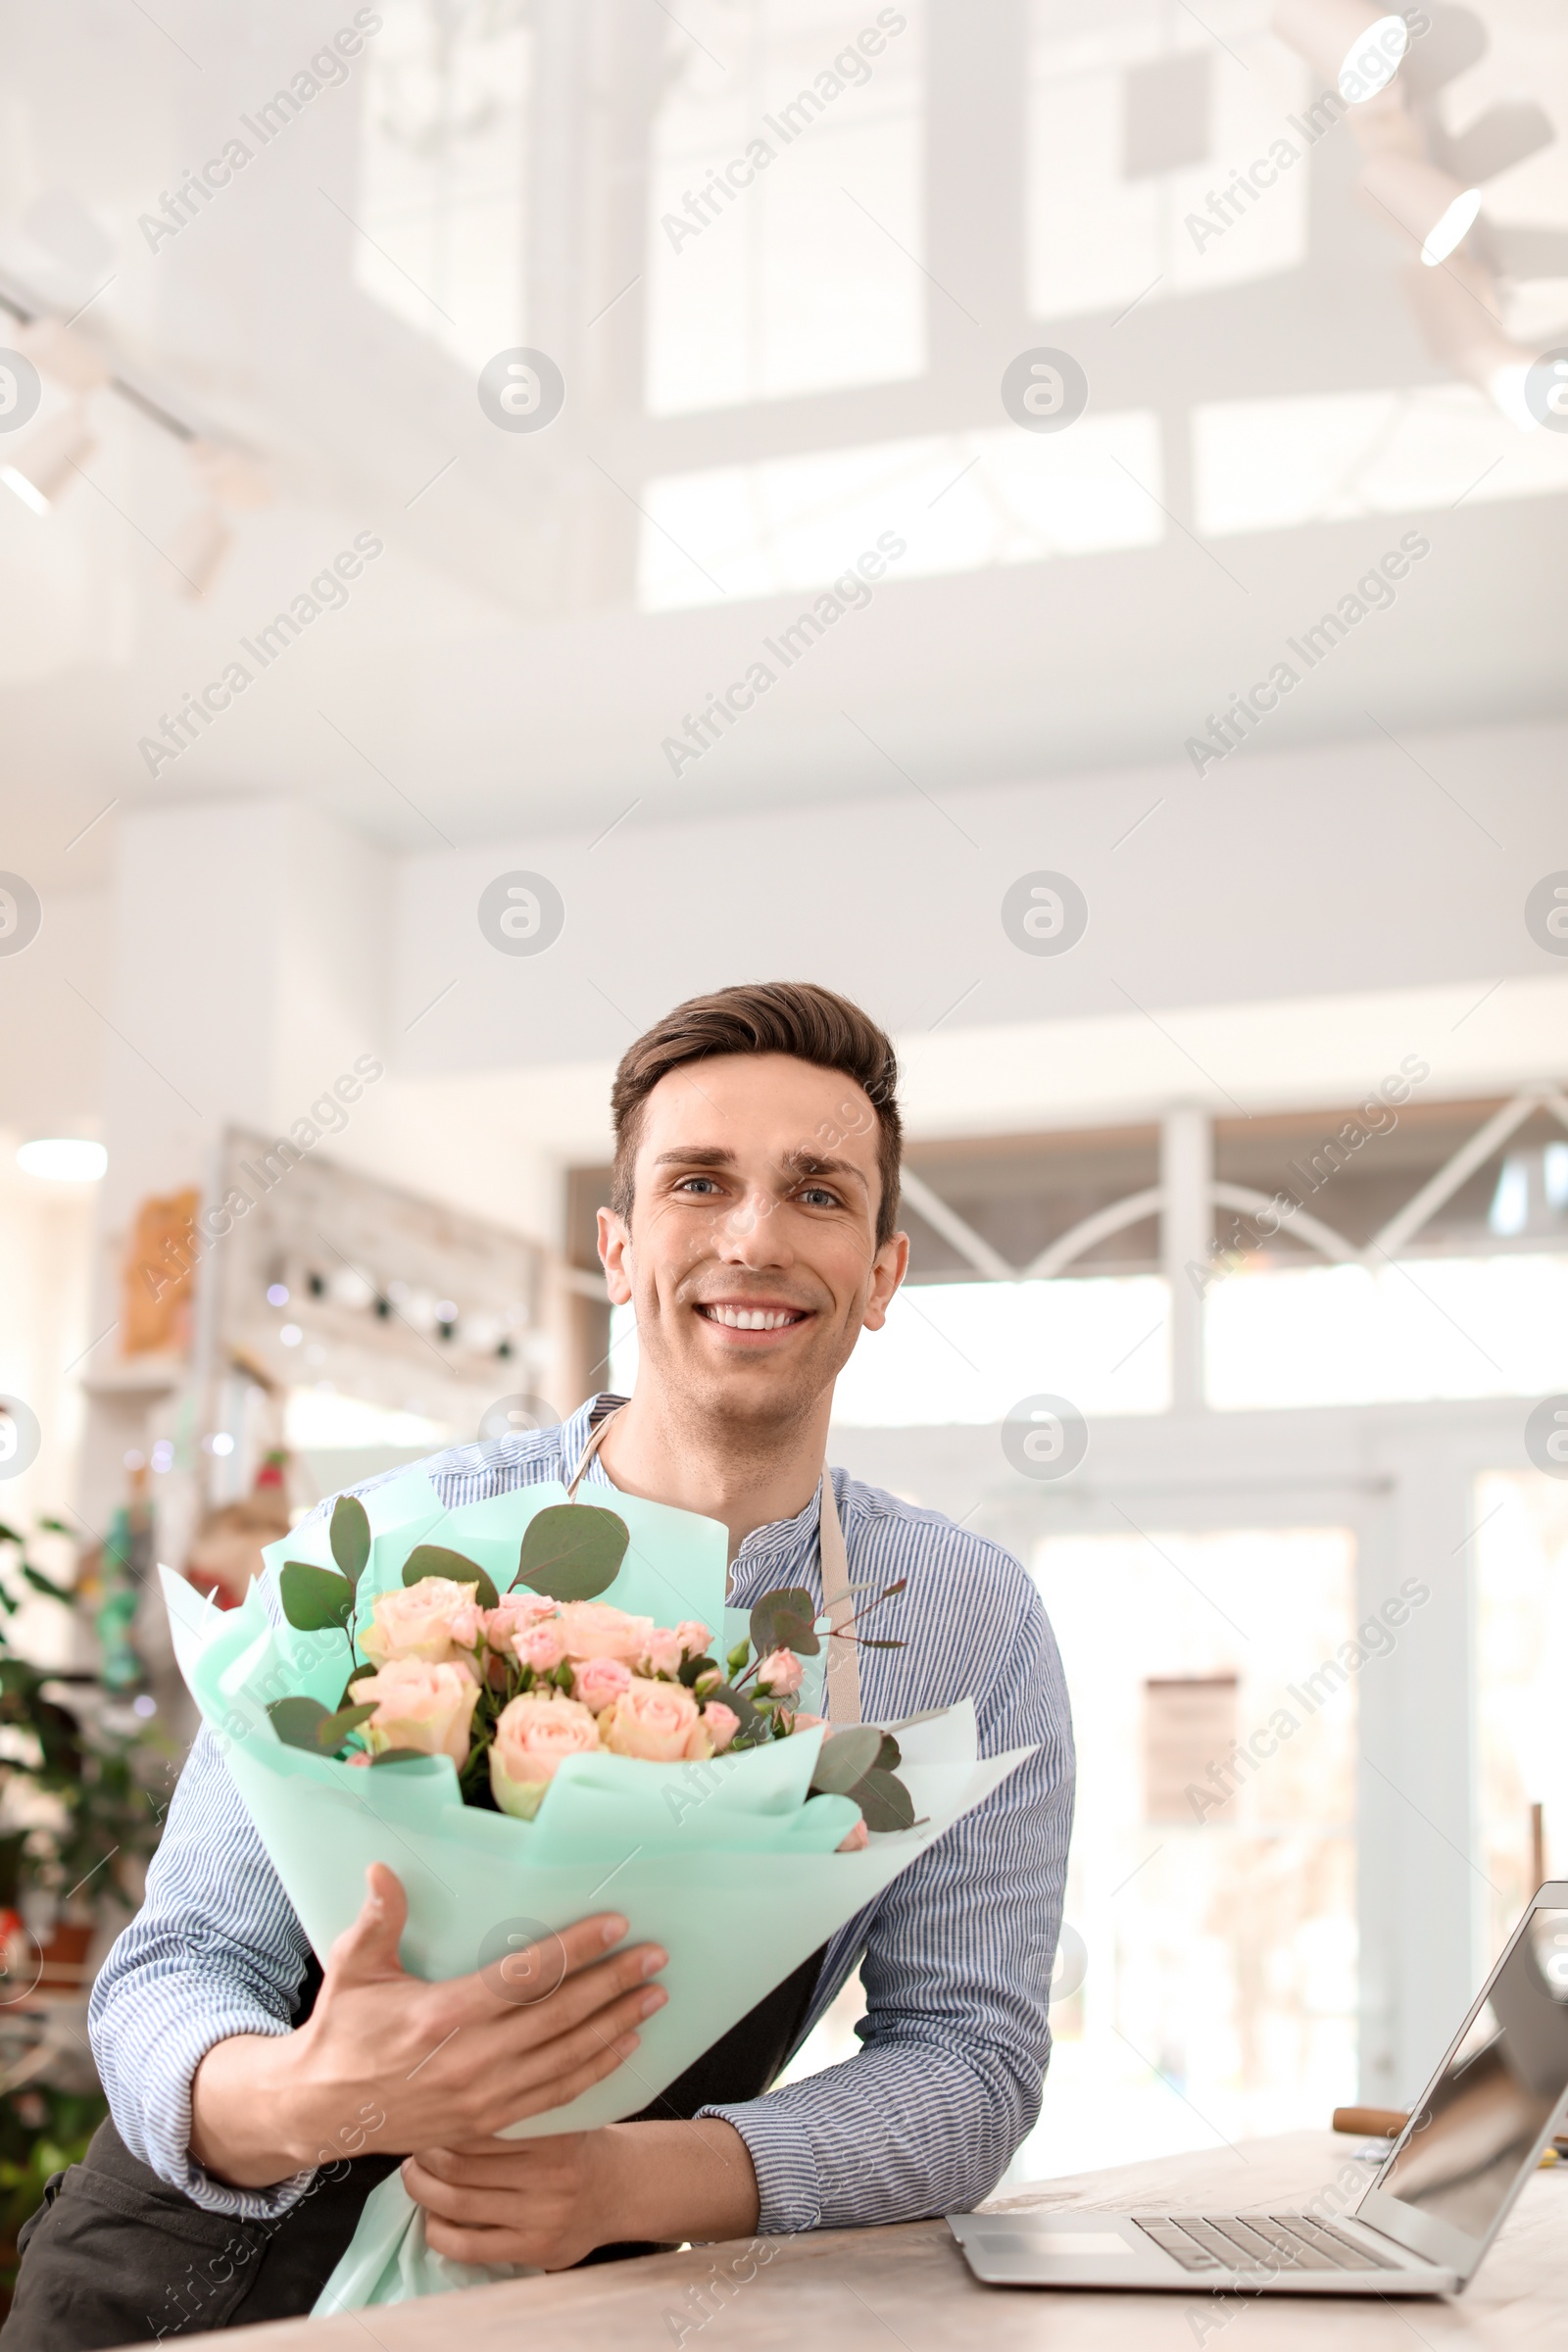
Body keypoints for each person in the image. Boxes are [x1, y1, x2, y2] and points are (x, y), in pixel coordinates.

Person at [4, 981, 1073, 2340]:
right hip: (183, 2288)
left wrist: (631, 2178)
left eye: (816, 1193)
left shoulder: (969, 1626)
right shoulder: (398, 1540)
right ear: (621, 1250)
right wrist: (305, 2097)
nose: (754, 1236)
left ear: (881, 1273)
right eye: (700, 1183)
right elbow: (178, 1966)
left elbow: (969, 2062)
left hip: (565, 2292)